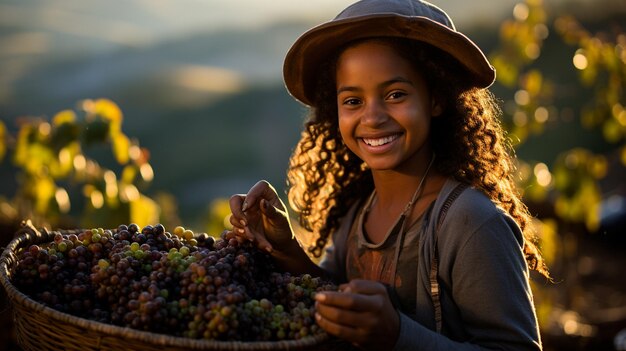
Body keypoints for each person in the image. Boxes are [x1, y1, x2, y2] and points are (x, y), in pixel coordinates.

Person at [227, 0, 550, 349]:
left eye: (396, 95)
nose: (373, 117)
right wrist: (285, 246)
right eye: (353, 101)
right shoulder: (357, 212)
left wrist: (398, 334)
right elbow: (335, 293)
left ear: (436, 99)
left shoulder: (471, 223)